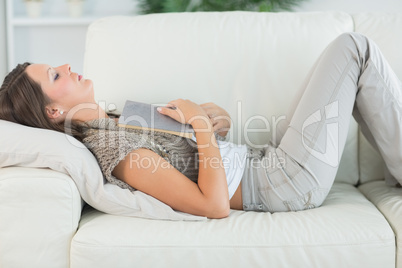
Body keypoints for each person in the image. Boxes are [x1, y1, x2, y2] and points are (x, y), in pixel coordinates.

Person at [1, 32, 401, 219]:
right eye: (55, 76)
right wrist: (199, 126)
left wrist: (213, 124)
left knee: (343, 59)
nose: (68, 67)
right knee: (355, 50)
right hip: (282, 184)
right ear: (53, 112)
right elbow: (213, 206)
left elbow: (200, 152)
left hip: (268, 161)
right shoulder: (113, 151)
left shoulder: (116, 118)